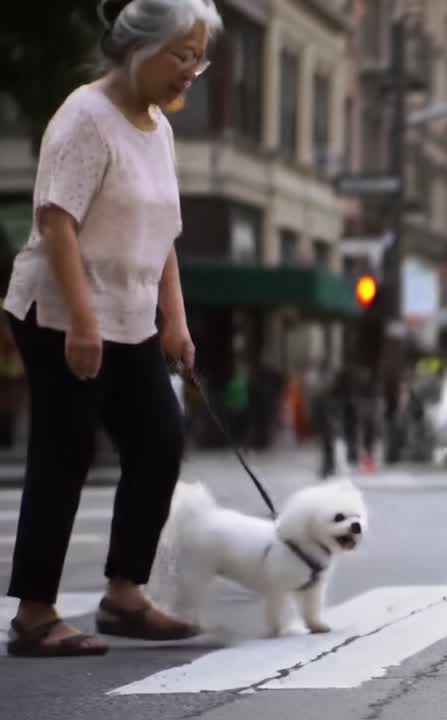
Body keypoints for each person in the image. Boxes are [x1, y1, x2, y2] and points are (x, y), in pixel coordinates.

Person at [3, 0, 223, 657]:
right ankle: (35, 615)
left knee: (158, 442)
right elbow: (56, 221)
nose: (191, 72)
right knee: (64, 454)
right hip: (58, 312)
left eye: (198, 59)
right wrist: (81, 322)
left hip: (129, 318)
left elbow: (164, 235)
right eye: (181, 57)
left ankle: (125, 595)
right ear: (141, 48)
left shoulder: (158, 128)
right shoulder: (84, 117)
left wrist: (175, 321)